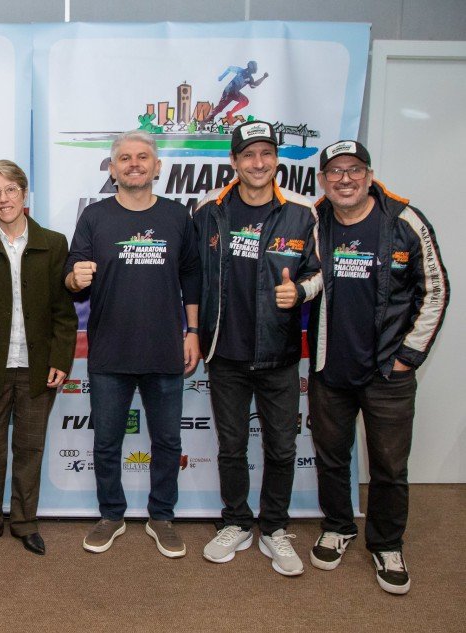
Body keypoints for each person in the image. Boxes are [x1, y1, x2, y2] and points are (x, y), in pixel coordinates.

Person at [307, 140, 449, 594]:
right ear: (323, 180)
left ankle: (387, 544)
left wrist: (408, 356)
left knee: (388, 465)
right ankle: (337, 526)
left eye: (354, 169)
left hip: (388, 372)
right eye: (335, 171)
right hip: (330, 367)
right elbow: (305, 278)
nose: (345, 179)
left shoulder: (405, 221)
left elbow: (436, 290)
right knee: (331, 457)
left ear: (369, 175)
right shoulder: (313, 219)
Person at [193, 120, 322, 576]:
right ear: (234, 161)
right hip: (225, 352)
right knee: (231, 447)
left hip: (278, 354)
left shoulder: (303, 213)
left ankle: (274, 527)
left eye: (266, 153)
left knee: (282, 448)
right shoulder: (208, 210)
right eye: (248, 154)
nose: (258, 162)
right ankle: (236, 521)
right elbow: (192, 274)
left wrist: (300, 292)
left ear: (277, 159)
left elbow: (321, 272)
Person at [65, 129, 202, 558]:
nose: (134, 164)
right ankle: (111, 515)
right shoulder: (94, 217)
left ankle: (162, 517)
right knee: (106, 443)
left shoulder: (177, 216)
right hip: (110, 350)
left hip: (165, 348)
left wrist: (193, 331)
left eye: (143, 157)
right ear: (112, 168)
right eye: (124, 158)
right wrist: (75, 278)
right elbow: (72, 273)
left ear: (157, 167)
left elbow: (191, 275)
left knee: (167, 443)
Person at [0, 160, 77, 556]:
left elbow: (64, 312)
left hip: (38, 368)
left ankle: (25, 522)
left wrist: (61, 358)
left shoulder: (54, 243)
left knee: (30, 449)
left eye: (10, 189)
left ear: (24, 194)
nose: (3, 198)